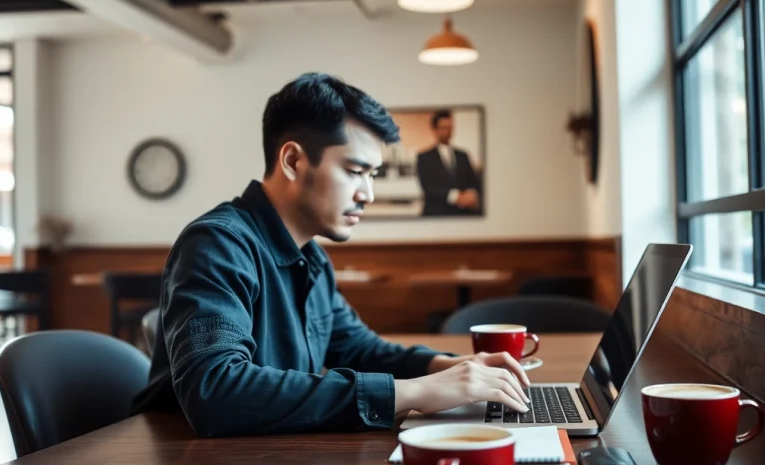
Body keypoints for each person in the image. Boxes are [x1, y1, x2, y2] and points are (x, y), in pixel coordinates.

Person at [131, 73, 529, 437]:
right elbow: (215, 391)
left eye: (372, 176)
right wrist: (415, 393)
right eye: (355, 171)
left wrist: (455, 369)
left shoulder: (312, 257)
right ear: (292, 161)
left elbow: (360, 350)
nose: (367, 195)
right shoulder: (217, 244)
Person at [415, 110, 482, 216]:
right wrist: (456, 197)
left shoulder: (463, 155)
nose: (448, 131)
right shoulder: (424, 157)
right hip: (436, 214)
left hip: (462, 214)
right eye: (443, 128)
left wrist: (471, 194)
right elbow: (427, 187)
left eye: (450, 127)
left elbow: (474, 181)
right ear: (435, 130)